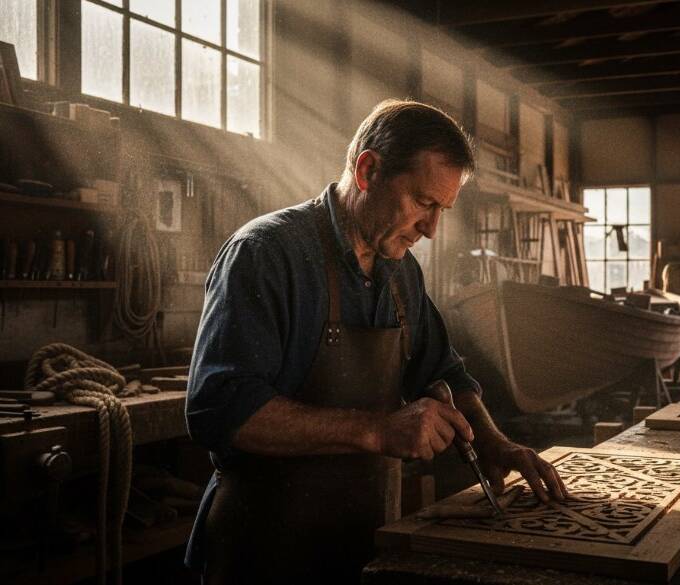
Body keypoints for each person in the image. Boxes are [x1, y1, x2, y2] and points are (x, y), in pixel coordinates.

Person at [184, 99, 568, 584]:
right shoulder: (265, 254)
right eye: (424, 203)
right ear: (368, 169)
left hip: (366, 541)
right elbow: (219, 411)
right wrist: (379, 429)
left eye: (442, 210)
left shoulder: (401, 273)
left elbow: (443, 373)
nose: (431, 229)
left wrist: (492, 441)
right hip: (266, 548)